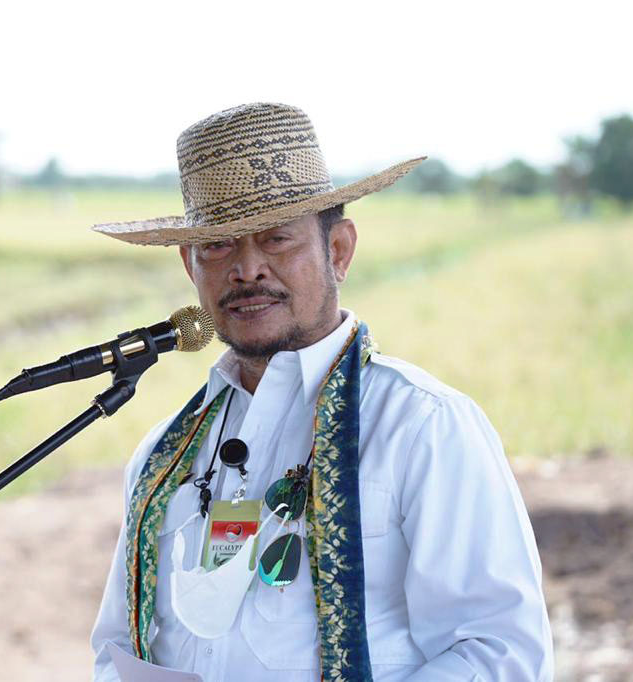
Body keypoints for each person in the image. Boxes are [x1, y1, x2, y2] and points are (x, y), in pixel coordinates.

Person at [88, 103, 553, 681]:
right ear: (190, 267)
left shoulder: (422, 426)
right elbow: (116, 650)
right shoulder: (164, 455)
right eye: (218, 246)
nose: (246, 269)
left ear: (339, 251)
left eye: (277, 238)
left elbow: (499, 653)